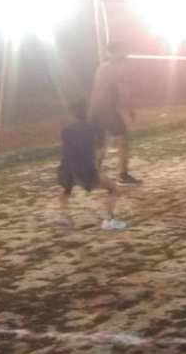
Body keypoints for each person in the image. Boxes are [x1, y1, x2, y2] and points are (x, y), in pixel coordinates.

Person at [57, 101, 126, 230]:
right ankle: (108, 220)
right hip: (86, 172)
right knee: (114, 189)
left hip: (67, 169)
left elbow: (66, 152)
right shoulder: (91, 128)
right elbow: (99, 150)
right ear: (86, 112)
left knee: (66, 190)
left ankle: (62, 216)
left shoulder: (66, 131)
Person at [89, 41, 141, 184]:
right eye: (123, 51)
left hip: (95, 109)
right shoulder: (118, 69)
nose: (125, 54)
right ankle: (123, 175)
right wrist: (130, 109)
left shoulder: (102, 67)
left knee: (101, 143)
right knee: (123, 140)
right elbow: (124, 92)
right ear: (117, 52)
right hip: (107, 109)